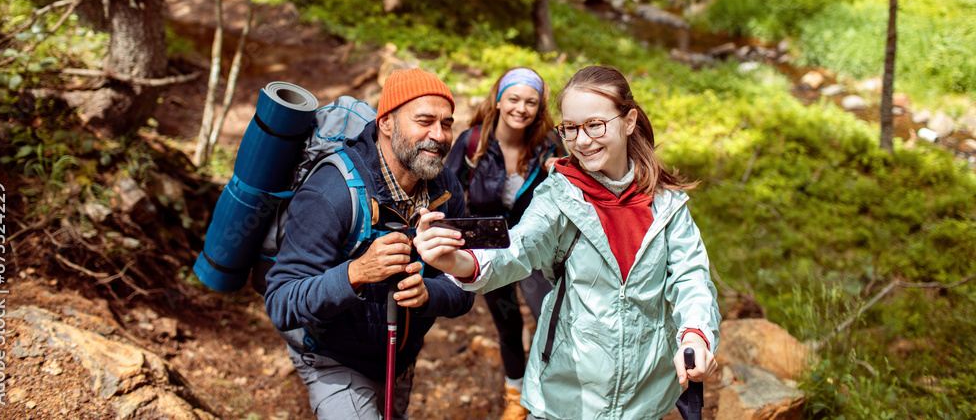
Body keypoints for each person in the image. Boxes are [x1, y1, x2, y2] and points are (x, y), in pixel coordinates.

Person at [414, 65, 720, 420]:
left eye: (595, 125)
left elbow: (691, 277)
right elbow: (519, 248)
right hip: (565, 398)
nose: (582, 141)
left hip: (645, 400)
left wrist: (695, 335)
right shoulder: (560, 196)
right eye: (571, 128)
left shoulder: (666, 204)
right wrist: (457, 262)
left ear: (629, 121)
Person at [264, 68, 475, 420]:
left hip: (399, 360)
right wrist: (356, 273)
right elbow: (281, 303)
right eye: (424, 121)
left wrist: (428, 295)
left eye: (447, 123)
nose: (439, 135)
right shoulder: (332, 191)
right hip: (332, 358)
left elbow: (466, 287)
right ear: (386, 122)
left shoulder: (445, 189)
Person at [444, 67, 564, 420]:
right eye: (513, 99)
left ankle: (550, 394)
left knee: (550, 319)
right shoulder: (473, 143)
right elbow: (446, 192)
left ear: (539, 108)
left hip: (535, 246)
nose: (521, 108)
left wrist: (559, 171)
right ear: (498, 100)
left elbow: (572, 190)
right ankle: (516, 395)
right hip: (490, 247)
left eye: (531, 102)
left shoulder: (549, 145)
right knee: (508, 324)